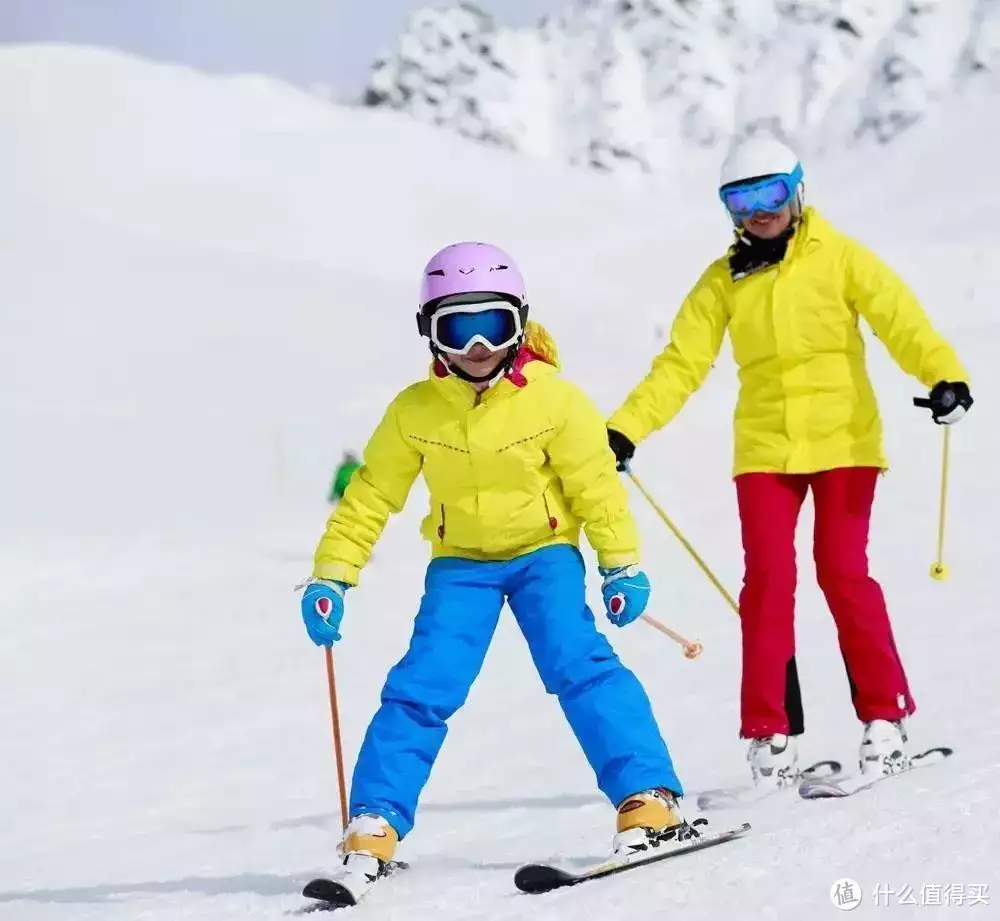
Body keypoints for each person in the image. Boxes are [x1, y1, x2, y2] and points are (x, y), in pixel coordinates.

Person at [298, 242, 695, 882]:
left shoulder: (556, 401)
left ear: (520, 322)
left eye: (494, 324)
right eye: (458, 327)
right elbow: (371, 494)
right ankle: (374, 822)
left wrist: (620, 565)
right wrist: (332, 575)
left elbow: (596, 484)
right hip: (461, 566)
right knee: (423, 686)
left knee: (581, 666)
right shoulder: (413, 411)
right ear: (431, 333)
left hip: (545, 556)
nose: (478, 345)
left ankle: (650, 798)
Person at [605, 137, 972, 789]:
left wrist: (943, 375)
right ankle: (770, 736)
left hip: (844, 442)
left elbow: (902, 321)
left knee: (841, 571)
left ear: (798, 190)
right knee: (768, 583)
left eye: (770, 194)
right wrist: (626, 427)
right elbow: (681, 365)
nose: (759, 211)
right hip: (765, 449)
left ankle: (884, 719)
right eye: (741, 200)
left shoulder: (841, 258)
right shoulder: (723, 282)